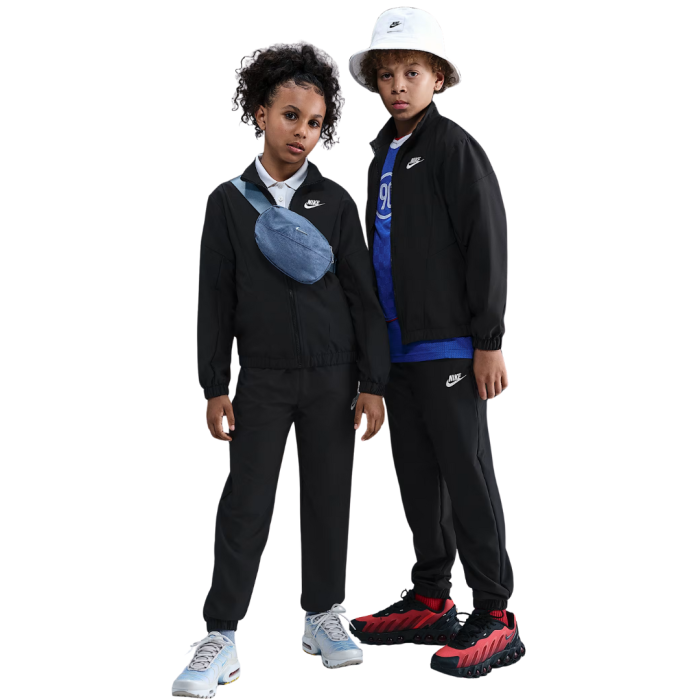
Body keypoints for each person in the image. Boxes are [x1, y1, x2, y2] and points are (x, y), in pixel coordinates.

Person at [172, 42, 391, 698]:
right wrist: (214, 384)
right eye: (290, 115)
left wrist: (373, 382)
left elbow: (363, 297)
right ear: (260, 113)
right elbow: (215, 298)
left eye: (315, 122)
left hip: (334, 377)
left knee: (327, 496)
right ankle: (221, 635)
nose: (302, 132)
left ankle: (322, 614)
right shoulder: (228, 203)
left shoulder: (335, 202)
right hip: (262, 380)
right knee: (246, 503)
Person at [347, 8, 526, 679]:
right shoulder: (382, 156)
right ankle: (431, 598)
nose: (398, 85)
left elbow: (487, 241)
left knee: (467, 476)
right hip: (398, 352)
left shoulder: (453, 148)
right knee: (418, 478)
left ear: (438, 78)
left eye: (412, 72)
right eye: (386, 74)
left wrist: (489, 339)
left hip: (451, 347)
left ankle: (496, 613)